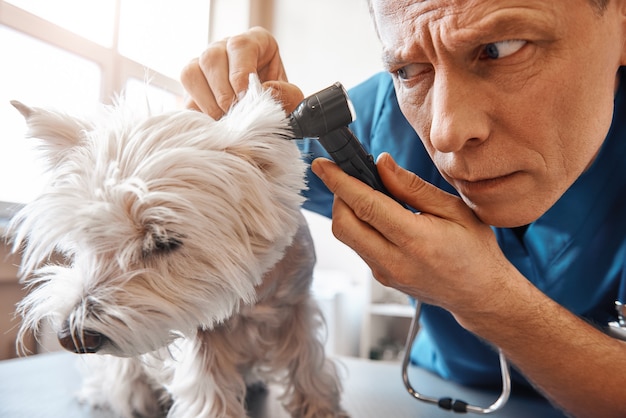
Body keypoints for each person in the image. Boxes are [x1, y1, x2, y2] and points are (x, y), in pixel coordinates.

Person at [180, 1, 626, 416]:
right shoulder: (374, 121)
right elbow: (216, 184)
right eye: (408, 68)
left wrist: (488, 301)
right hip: (435, 390)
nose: (446, 132)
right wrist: (229, 116)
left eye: (500, 49)